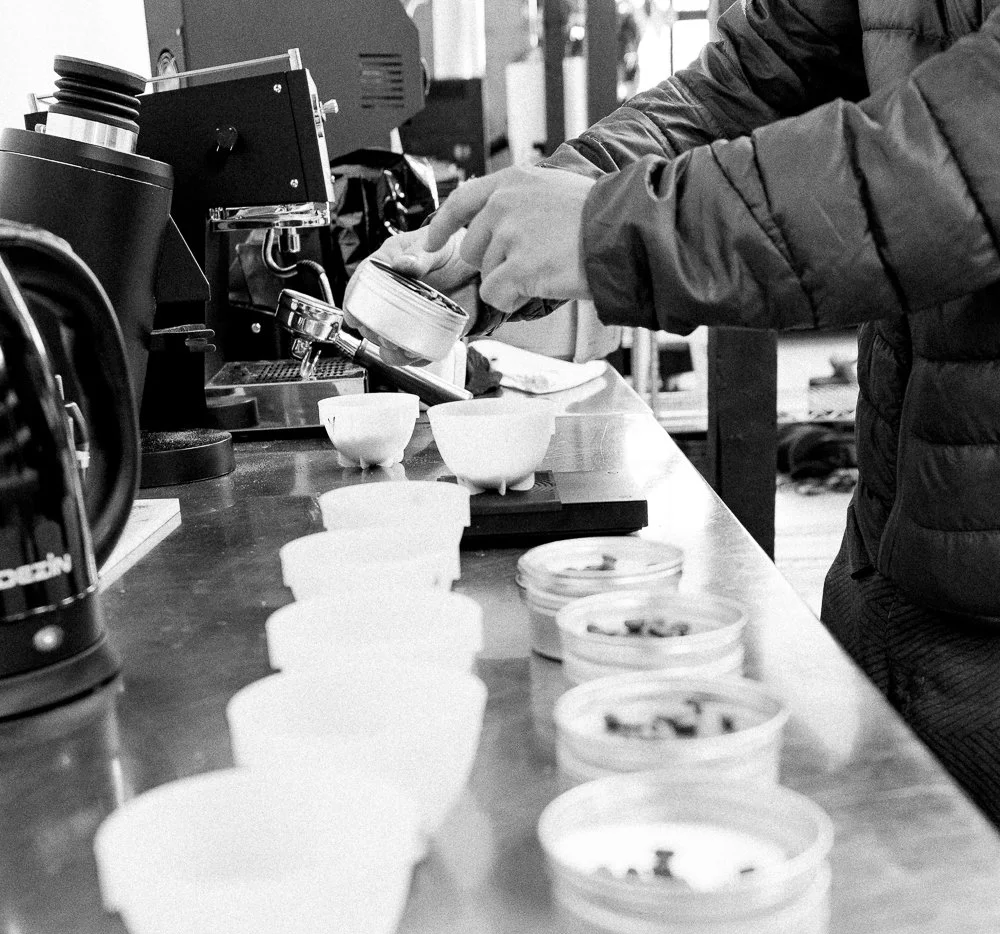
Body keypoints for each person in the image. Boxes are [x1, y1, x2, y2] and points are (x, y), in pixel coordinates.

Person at [345, 0, 1000, 821]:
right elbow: (756, 77)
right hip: (897, 556)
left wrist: (609, 230)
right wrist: (555, 194)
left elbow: (954, 161)